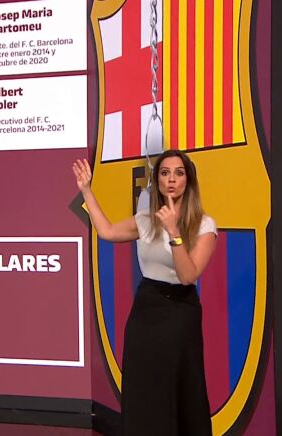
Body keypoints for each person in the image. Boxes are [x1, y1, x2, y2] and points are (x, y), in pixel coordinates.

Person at [72, 150, 216, 435]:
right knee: (143, 386)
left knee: (178, 387)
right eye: (165, 173)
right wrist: (86, 190)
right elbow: (107, 231)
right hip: (146, 309)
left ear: (188, 180)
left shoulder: (204, 225)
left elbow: (188, 276)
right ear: (157, 180)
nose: (171, 179)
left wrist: (174, 233)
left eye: (178, 173)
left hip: (180, 311)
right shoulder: (145, 219)